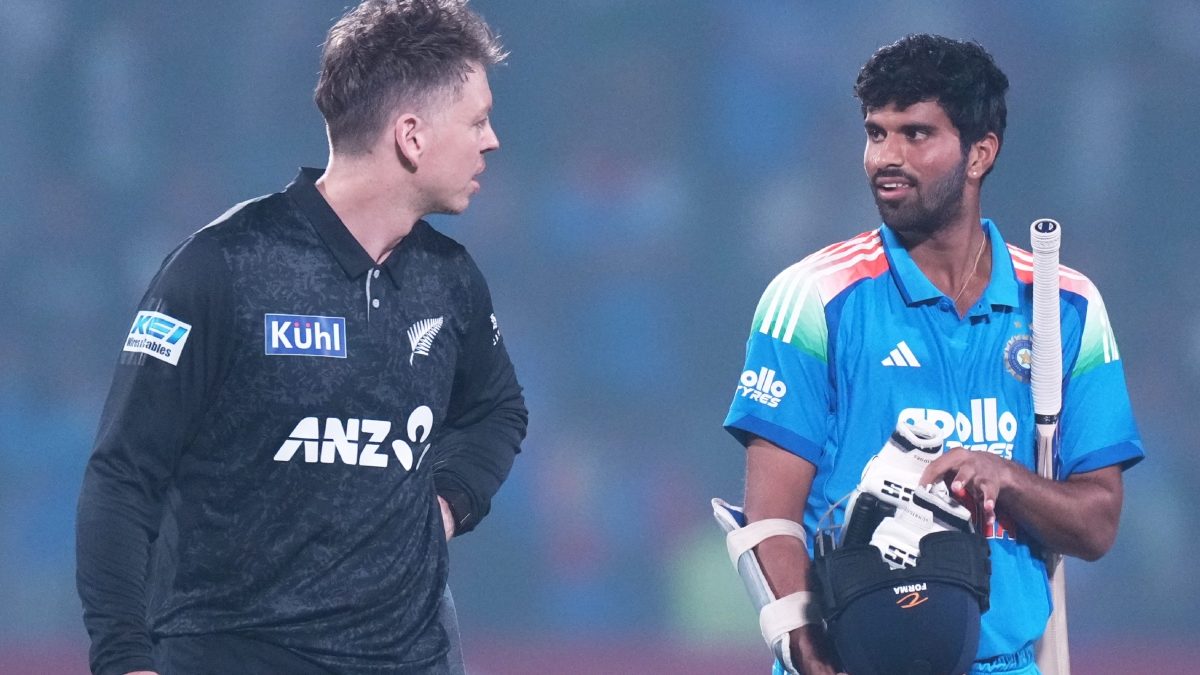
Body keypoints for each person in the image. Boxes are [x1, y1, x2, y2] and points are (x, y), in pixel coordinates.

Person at [76, 1, 527, 673]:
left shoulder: (451, 280)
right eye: (477, 120)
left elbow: (498, 409)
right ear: (411, 136)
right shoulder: (223, 268)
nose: (492, 141)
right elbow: (122, 477)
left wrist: (446, 503)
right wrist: (123, 659)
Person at [723, 34, 1143, 675]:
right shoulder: (811, 298)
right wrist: (808, 651)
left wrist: (1007, 478)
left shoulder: (1065, 306)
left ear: (980, 153)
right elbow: (769, 523)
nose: (886, 158)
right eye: (876, 133)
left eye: (915, 134)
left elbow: (1096, 525)